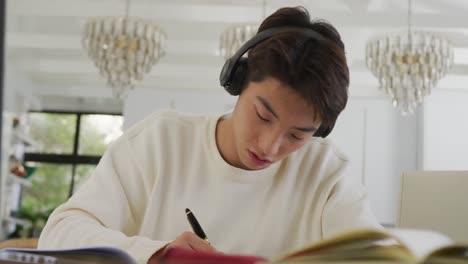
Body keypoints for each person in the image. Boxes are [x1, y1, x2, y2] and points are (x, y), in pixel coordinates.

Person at [38, 6, 382, 264]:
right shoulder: (161, 141)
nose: (270, 146)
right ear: (237, 80)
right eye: (263, 115)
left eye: (296, 136)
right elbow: (58, 234)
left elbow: (374, 256)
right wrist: (157, 254)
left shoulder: (327, 174)